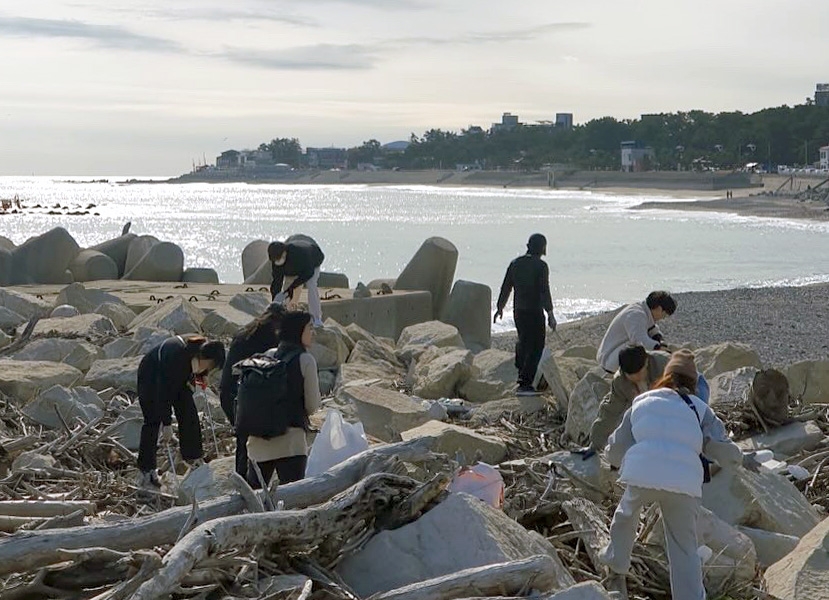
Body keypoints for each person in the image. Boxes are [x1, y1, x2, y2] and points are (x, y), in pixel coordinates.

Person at [600, 350, 753, 600]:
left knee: (626, 515)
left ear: (665, 376)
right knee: (684, 547)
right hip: (684, 483)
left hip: (643, 472)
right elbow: (719, 448)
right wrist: (741, 459)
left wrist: (615, 464)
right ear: (693, 383)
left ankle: (616, 571)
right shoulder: (702, 410)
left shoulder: (643, 400)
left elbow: (616, 447)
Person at [578, 345, 711, 459]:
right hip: (660, 403)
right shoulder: (620, 382)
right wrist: (594, 444)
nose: (636, 378)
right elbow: (609, 411)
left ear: (646, 362)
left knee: (695, 421)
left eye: (639, 373)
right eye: (632, 376)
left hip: (693, 386)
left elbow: (687, 396)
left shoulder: (664, 365)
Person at [136, 335, 226, 488]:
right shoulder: (177, 358)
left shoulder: (200, 350)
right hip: (151, 375)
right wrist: (167, 424)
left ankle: (193, 456)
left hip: (174, 375)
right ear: (205, 358)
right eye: (210, 366)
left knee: (188, 410)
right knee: (152, 420)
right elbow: (163, 393)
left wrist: (201, 376)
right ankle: (146, 469)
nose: (209, 370)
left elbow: (195, 368)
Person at [246, 310, 321, 489]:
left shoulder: (267, 355)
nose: (314, 333)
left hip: (258, 442)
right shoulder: (306, 360)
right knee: (293, 502)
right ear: (299, 331)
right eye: (310, 328)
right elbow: (312, 406)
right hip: (291, 443)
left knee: (255, 502)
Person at [219, 302, 286, 477]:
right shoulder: (271, 340)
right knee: (256, 443)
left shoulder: (244, 333)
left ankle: (240, 484)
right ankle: (254, 486)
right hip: (248, 394)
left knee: (243, 442)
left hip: (228, 393)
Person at [494, 233, 557, 396]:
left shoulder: (515, 263)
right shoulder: (541, 266)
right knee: (536, 346)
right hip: (534, 311)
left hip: (519, 312)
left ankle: (521, 372)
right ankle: (525, 383)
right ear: (543, 248)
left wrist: (500, 307)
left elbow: (506, 287)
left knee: (523, 342)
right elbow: (544, 290)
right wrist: (550, 313)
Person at [596, 291, 676, 374]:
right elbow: (640, 340)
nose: (663, 318)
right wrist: (658, 347)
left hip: (613, 355)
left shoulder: (643, 310)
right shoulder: (636, 315)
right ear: (659, 309)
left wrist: (661, 343)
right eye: (664, 315)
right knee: (640, 349)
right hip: (610, 361)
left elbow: (653, 330)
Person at [269, 234, 325, 327]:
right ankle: (286, 315)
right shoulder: (275, 261)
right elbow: (277, 281)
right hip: (293, 268)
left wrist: (293, 287)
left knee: (311, 284)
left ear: (285, 252)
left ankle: (317, 318)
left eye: (280, 258)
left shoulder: (299, 253)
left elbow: (308, 273)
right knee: (286, 291)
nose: (278, 261)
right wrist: (275, 301)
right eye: (275, 260)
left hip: (312, 261)